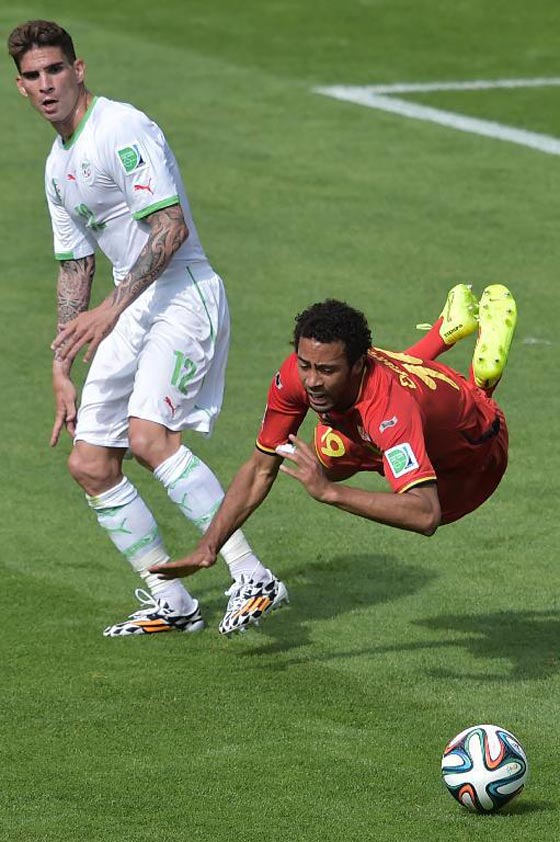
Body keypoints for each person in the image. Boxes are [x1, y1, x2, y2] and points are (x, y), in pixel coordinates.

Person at [8, 19, 288, 637]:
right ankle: (173, 602)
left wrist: (110, 309)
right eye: (33, 76)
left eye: (55, 69)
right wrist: (60, 364)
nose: (47, 84)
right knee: (89, 463)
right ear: (20, 88)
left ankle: (254, 576)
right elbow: (75, 266)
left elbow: (171, 229)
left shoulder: (121, 127)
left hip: (182, 293)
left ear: (79, 70)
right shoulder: (57, 166)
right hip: (131, 305)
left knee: (148, 436)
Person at [150, 283, 518, 629]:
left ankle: (481, 383)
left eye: (326, 370)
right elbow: (261, 468)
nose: (312, 380)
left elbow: (425, 514)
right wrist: (209, 545)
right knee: (329, 450)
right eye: (305, 365)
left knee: (352, 446)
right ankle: (444, 332)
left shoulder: (390, 410)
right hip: (408, 404)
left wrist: (329, 493)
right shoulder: (303, 375)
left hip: (474, 460)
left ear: (357, 365)